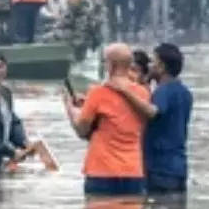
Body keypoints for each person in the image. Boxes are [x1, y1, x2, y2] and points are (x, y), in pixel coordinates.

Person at [62, 43, 150, 195]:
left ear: (111, 65)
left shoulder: (98, 93)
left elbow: (82, 130)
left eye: (105, 62)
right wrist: (87, 104)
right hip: (133, 171)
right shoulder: (142, 93)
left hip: (101, 171)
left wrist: (70, 108)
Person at [107, 43, 192, 195]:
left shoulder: (163, 91)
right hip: (178, 165)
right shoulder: (184, 92)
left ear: (161, 67)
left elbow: (152, 112)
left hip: (159, 167)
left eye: (153, 62)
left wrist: (124, 90)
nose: (149, 65)